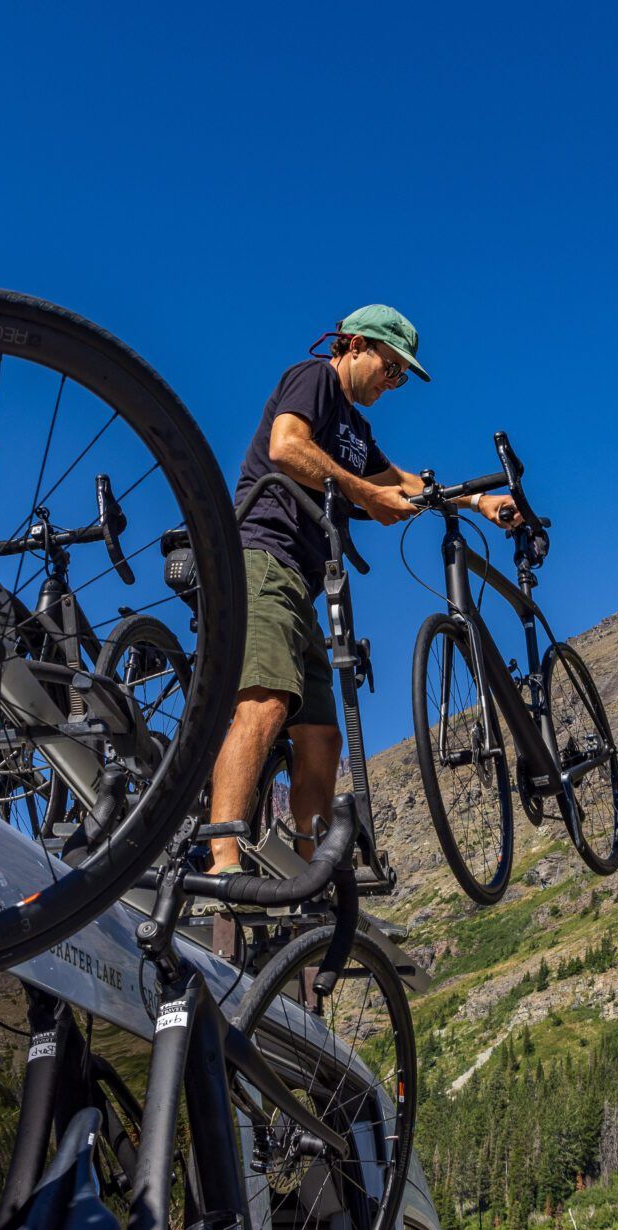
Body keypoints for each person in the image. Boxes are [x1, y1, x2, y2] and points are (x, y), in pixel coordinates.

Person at [206, 305, 517, 875]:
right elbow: (286, 446)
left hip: (303, 580)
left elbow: (404, 484)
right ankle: (222, 857)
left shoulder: (357, 432)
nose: (391, 383)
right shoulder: (314, 379)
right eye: (389, 368)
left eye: (400, 377)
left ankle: (303, 877)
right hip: (262, 557)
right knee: (265, 702)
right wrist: (363, 495)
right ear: (354, 345)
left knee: (322, 737)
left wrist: (477, 502)